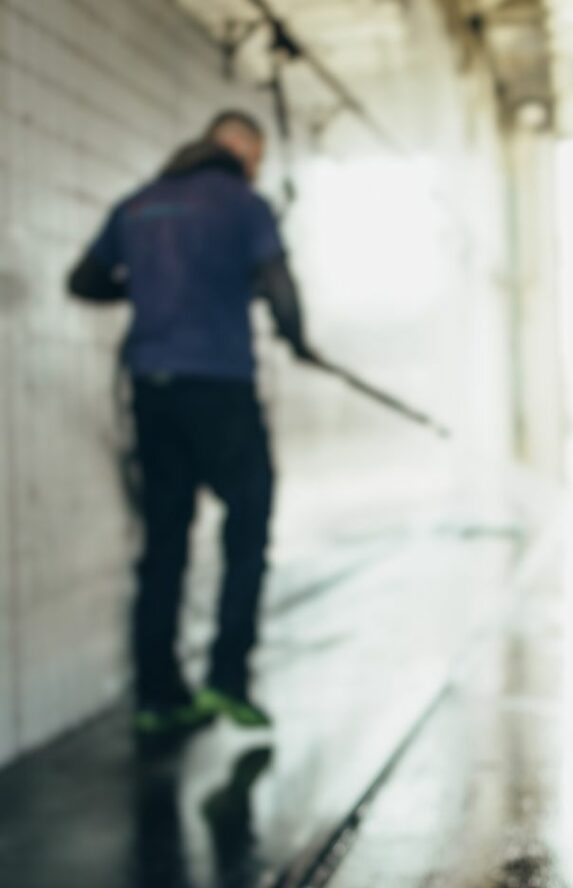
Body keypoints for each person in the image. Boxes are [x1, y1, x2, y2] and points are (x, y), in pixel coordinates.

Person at [68, 110, 319, 734]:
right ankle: (226, 680)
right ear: (234, 147)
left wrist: (150, 291)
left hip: (151, 390)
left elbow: (84, 279)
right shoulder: (243, 204)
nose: (255, 167)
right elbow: (279, 289)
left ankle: (157, 695)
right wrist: (297, 339)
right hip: (220, 388)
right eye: (255, 155)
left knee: (164, 540)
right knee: (249, 518)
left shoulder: (137, 205)